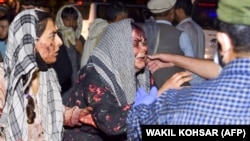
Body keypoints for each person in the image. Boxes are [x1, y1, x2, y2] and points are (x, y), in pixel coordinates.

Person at [126, 0, 250, 140]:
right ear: (171, 12)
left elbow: (136, 128)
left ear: (223, 40)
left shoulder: (180, 104)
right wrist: (175, 60)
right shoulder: (183, 32)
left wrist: (155, 97)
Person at [0, 9, 94, 141]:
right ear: (31, 41)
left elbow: (47, 111)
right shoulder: (4, 78)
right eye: (52, 35)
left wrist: (74, 115)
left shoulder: (47, 74)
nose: (60, 42)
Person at [63, 19, 155, 141]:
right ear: (118, 48)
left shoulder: (144, 76)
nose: (143, 48)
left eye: (144, 43)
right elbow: (111, 123)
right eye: (135, 44)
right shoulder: (93, 75)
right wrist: (153, 99)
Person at [144, 0, 197, 87]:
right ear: (172, 13)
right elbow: (192, 69)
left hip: (148, 92)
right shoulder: (180, 35)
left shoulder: (141, 32)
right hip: (175, 94)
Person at [80, 1, 128, 67]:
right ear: (119, 17)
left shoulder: (98, 28)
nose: (127, 22)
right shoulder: (107, 34)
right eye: (125, 18)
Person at [55, 5, 85, 99]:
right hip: (61, 88)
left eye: (74, 19)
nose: (71, 23)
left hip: (78, 89)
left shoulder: (80, 39)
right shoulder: (56, 39)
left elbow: (88, 63)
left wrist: (82, 51)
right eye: (67, 19)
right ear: (61, 20)